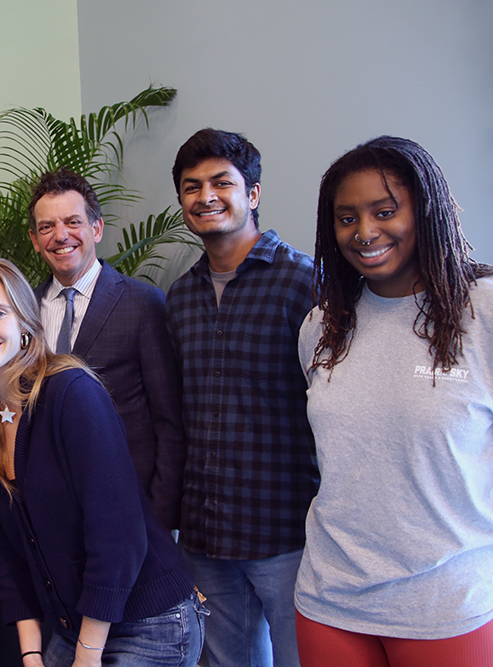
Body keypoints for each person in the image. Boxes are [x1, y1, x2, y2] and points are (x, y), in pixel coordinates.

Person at [295, 136, 493, 667]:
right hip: (330, 601)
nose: (365, 232)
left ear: (427, 210)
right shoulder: (322, 326)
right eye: (347, 218)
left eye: (385, 211)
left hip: (453, 604)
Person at [0, 258, 204, 667]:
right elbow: (12, 552)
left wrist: (88, 653)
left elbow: (118, 536)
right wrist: (30, 654)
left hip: (148, 622)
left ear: (26, 323)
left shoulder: (70, 393)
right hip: (73, 627)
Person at [162, 128, 319, 667]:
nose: (205, 196)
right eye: (191, 186)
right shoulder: (179, 297)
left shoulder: (305, 282)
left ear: (252, 193)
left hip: (285, 529)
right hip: (206, 533)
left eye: (221, 182)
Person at [28, 170, 183, 522]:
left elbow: (170, 422)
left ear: (96, 229)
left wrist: (159, 519)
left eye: (72, 222)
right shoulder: (23, 311)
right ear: (35, 240)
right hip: (51, 509)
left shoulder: (144, 304)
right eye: (47, 227)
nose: (61, 235)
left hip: (130, 506)